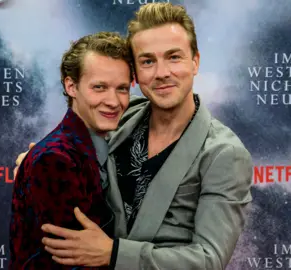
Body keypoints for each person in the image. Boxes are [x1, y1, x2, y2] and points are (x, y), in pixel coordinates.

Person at [14, 3, 253, 270]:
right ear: (135, 74)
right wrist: (34, 164)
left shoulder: (224, 153)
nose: (162, 73)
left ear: (195, 61)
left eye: (174, 57)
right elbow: (72, 154)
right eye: (148, 61)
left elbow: (209, 260)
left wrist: (114, 254)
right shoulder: (122, 116)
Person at [8, 31, 133, 269]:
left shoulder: (102, 146)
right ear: (71, 86)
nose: (113, 101)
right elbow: (70, 263)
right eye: (99, 87)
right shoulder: (56, 160)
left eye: (122, 89)